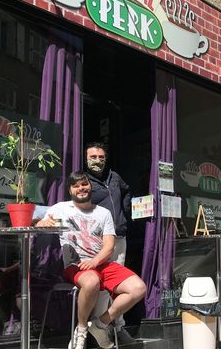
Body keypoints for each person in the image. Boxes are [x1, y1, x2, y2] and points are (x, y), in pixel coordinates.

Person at [36, 171, 146, 349]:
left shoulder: (103, 213)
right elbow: (39, 221)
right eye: (76, 185)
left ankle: (100, 325)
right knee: (92, 281)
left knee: (138, 288)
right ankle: (81, 329)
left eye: (84, 184)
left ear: (90, 186)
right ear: (70, 190)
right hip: (76, 265)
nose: (81, 188)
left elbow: (109, 246)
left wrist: (95, 262)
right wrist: (41, 223)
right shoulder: (60, 208)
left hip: (101, 263)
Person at [84, 142, 136, 343]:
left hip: (119, 237)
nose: (97, 160)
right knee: (103, 286)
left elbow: (127, 191)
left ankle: (117, 327)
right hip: (98, 241)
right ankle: (100, 328)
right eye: (93, 157)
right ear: (87, 158)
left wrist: (124, 215)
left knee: (119, 286)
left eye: (101, 157)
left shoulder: (115, 177)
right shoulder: (84, 180)